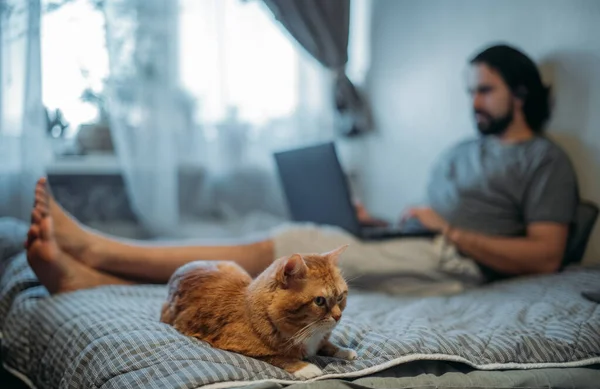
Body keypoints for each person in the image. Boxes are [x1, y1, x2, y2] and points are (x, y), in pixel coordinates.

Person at [24, 43, 579, 296]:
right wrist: (377, 220)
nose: (474, 102)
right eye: (470, 91)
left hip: (460, 263)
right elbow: (428, 223)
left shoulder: (543, 160)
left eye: (485, 91)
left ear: (521, 93)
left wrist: (448, 229)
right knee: (290, 242)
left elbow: (548, 255)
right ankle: (87, 279)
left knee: (288, 248)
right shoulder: (461, 151)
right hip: (422, 242)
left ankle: (98, 249)